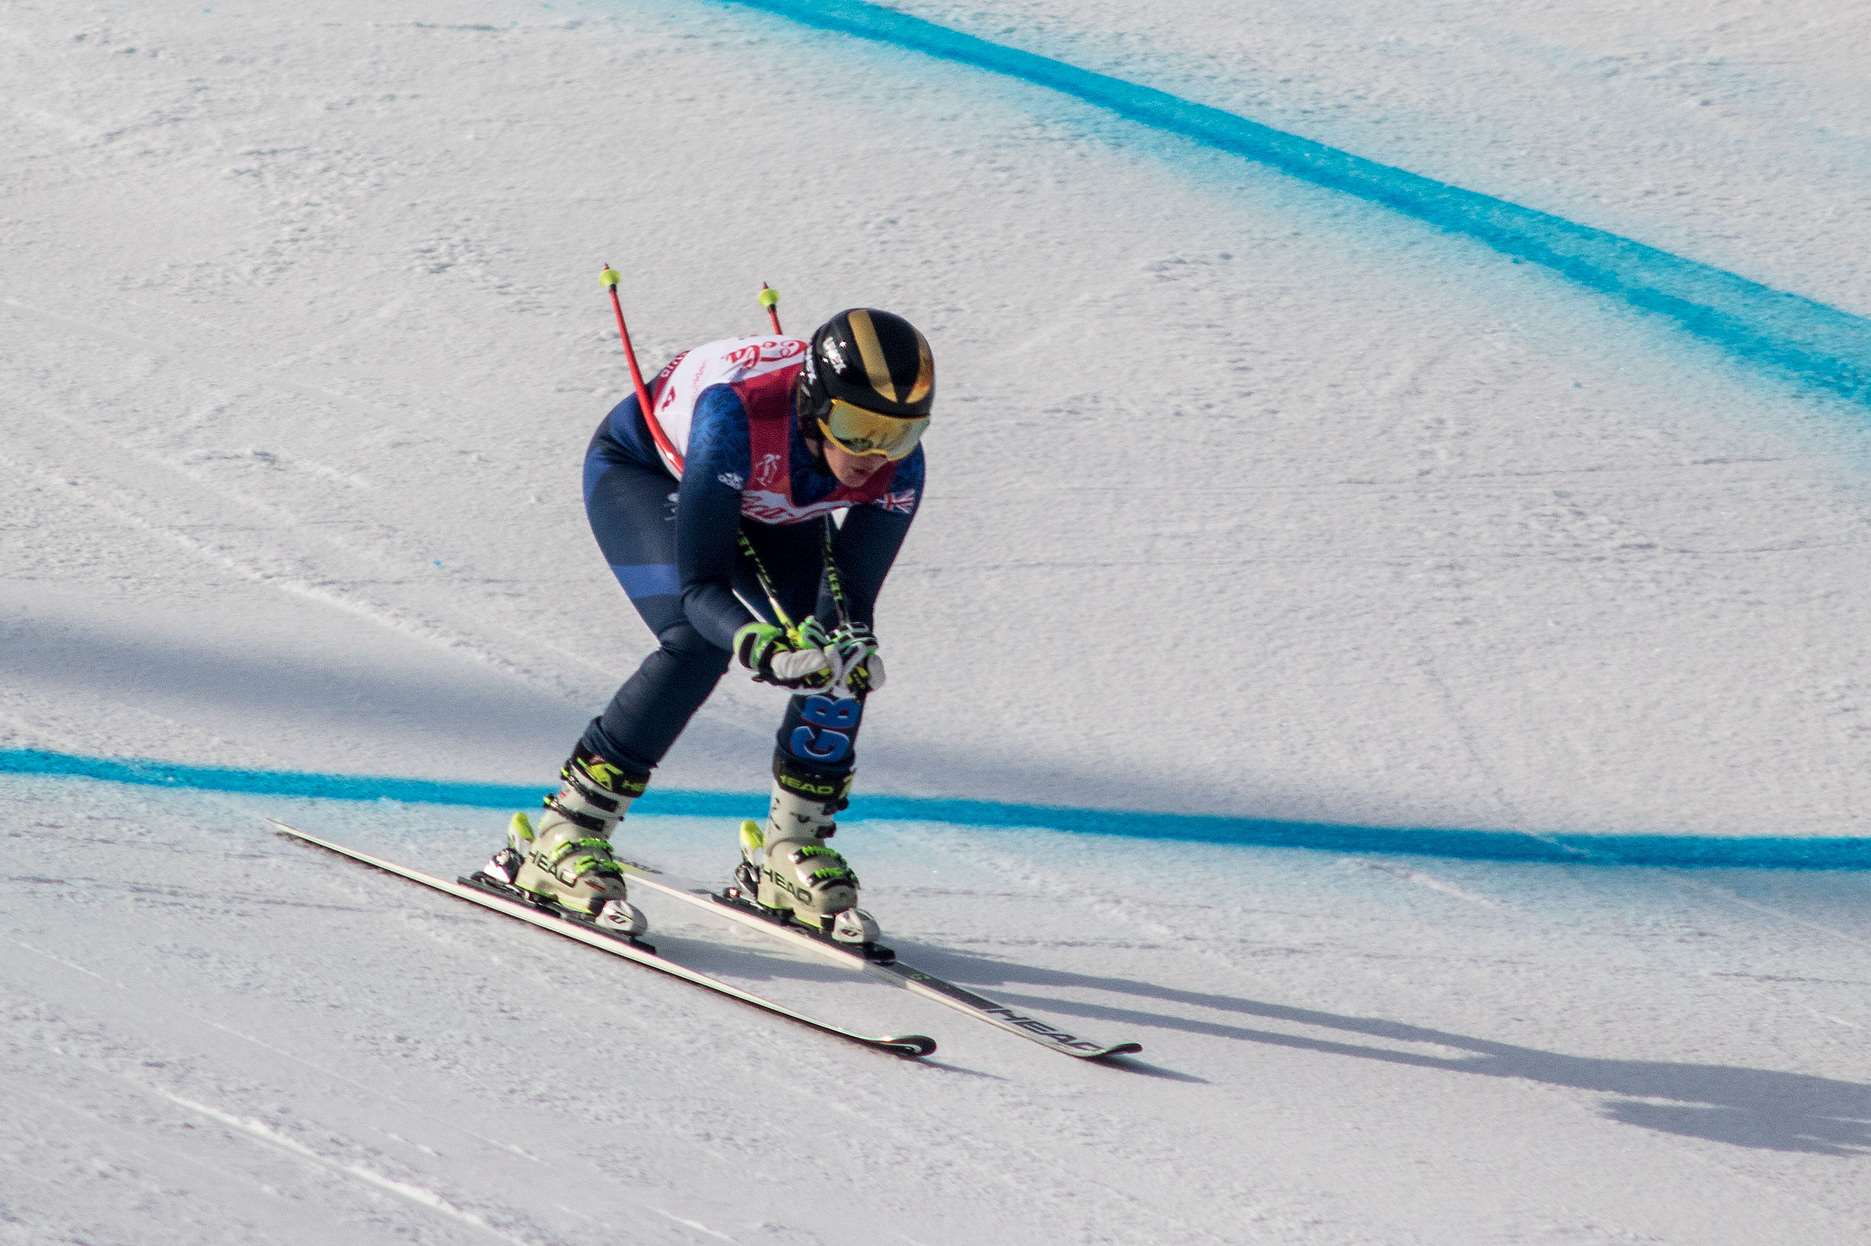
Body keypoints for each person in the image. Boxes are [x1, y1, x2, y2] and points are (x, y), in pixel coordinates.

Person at [478, 308, 931, 946]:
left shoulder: (897, 467)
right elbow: (699, 589)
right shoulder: (732, 415)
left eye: (901, 434)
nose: (875, 456)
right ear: (813, 405)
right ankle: (564, 831)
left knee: (839, 650)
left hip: (770, 495)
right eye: (858, 429)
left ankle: (788, 848)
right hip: (649, 475)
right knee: (696, 643)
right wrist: (759, 647)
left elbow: (853, 597)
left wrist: (850, 643)